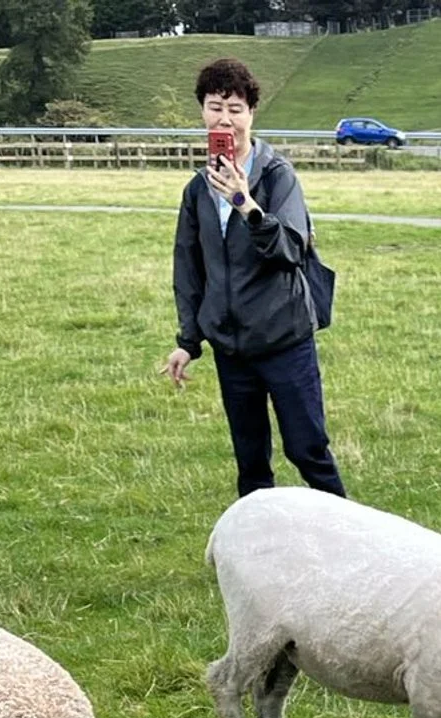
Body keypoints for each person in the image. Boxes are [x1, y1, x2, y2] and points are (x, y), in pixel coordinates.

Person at [163, 58, 346, 500]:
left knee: (307, 452)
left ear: (251, 114)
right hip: (232, 346)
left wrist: (246, 204)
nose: (225, 118)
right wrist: (189, 341)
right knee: (251, 462)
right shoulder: (198, 189)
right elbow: (189, 268)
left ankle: (351, 542)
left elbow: (289, 250)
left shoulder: (277, 175)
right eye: (214, 106)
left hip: (283, 338)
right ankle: (259, 555)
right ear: (202, 112)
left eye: (236, 108)